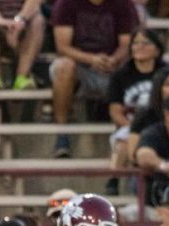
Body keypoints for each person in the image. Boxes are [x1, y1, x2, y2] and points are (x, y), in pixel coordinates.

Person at [48, 0, 137, 159]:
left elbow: (126, 44)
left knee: (135, 68)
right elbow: (62, 47)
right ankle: (62, 133)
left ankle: (128, 133)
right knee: (63, 66)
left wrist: (113, 60)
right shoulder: (66, 4)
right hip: (79, 68)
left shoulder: (123, 4)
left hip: (112, 68)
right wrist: (92, 59)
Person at [107, 27, 167, 189]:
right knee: (123, 140)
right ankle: (114, 180)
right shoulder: (120, 76)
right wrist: (133, 126)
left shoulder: (166, 74)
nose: (139, 47)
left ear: (157, 49)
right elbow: (115, 111)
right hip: (131, 124)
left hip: (161, 125)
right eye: (135, 43)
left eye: (145, 43)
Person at [0, 0, 47, 90]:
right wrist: (0, 21)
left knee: (38, 21)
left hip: (23, 24)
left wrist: (20, 21)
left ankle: (22, 77)